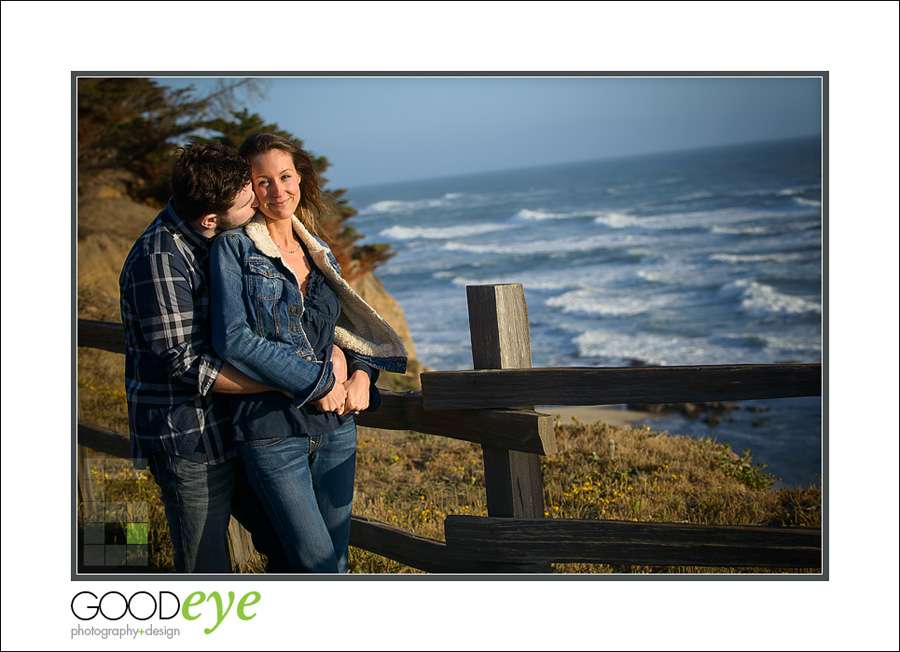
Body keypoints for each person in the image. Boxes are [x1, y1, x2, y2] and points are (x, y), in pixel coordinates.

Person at [209, 133, 407, 573]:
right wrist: (317, 381)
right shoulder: (234, 249)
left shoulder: (318, 251)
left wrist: (361, 375)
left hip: (336, 428)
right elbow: (234, 339)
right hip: (272, 432)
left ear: (300, 177)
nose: (278, 191)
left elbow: (341, 331)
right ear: (248, 190)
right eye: (263, 182)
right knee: (316, 566)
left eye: (285, 176)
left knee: (335, 562)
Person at [119, 141, 288, 573]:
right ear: (211, 217)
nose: (258, 197)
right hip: (187, 439)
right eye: (247, 196)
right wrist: (282, 379)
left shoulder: (218, 237)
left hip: (233, 428)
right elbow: (183, 361)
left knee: (285, 542)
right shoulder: (160, 258)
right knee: (205, 567)